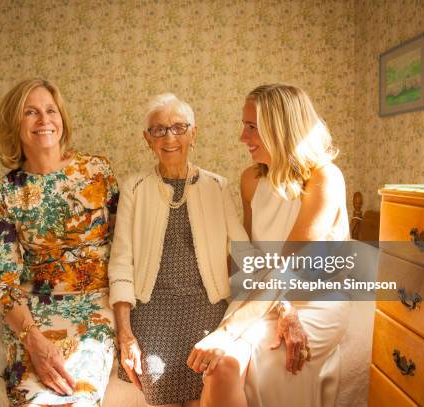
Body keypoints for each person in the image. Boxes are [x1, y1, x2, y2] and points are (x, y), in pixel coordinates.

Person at [192, 83, 351, 407]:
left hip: (315, 301)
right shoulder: (251, 180)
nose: (242, 137)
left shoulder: (325, 179)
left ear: (279, 128)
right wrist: (275, 307)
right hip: (267, 295)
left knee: (228, 358)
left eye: (252, 126)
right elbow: (252, 259)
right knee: (219, 367)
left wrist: (233, 327)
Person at [108, 93, 249, 407]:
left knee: (211, 378)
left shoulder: (217, 186)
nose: (169, 137)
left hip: (207, 303)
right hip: (152, 308)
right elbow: (120, 263)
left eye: (178, 128)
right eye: (158, 130)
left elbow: (243, 250)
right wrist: (125, 335)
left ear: (193, 133)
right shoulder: (133, 188)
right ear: (148, 139)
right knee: (156, 374)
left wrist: (271, 301)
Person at [0, 78, 119, 406]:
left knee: (76, 396)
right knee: (37, 399)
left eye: (50, 110)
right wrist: (33, 340)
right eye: (31, 112)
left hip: (95, 304)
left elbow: (125, 244)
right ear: (14, 124)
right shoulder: (5, 193)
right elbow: (5, 287)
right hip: (35, 312)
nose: (44, 120)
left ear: (62, 118)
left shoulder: (96, 171)